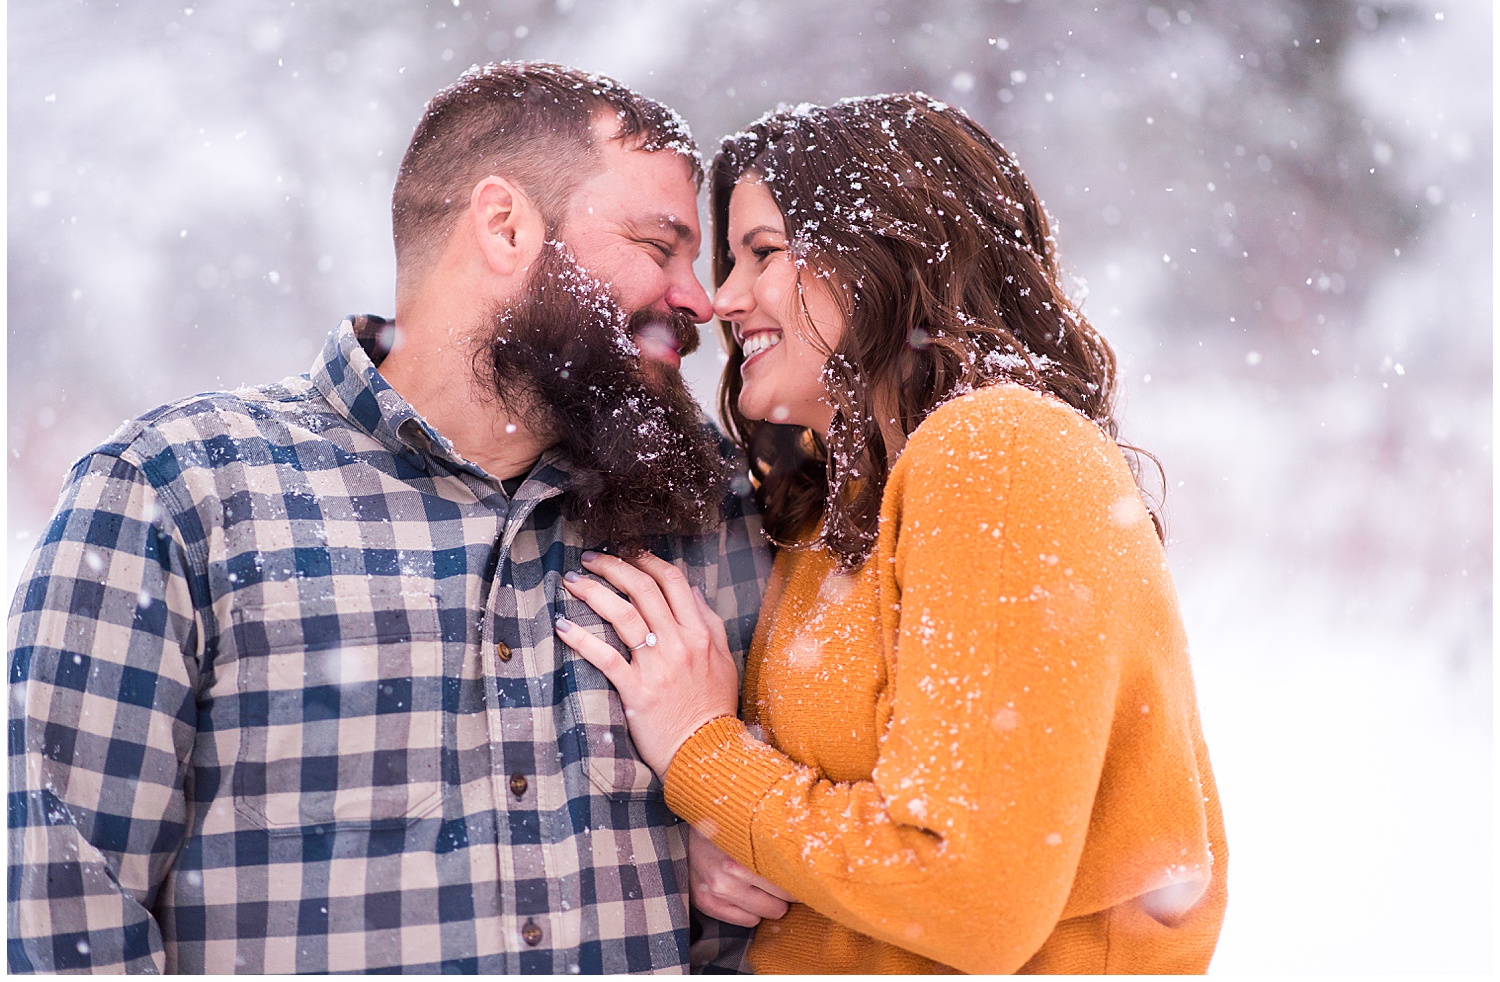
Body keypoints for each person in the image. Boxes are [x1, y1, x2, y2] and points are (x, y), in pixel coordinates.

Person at [7, 61, 771, 974]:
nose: (702, 300)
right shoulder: (182, 494)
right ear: (506, 225)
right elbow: (62, 918)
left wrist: (743, 830)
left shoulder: (711, 512)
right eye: (660, 246)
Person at [556, 93, 1229, 974]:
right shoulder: (838, 510)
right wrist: (733, 843)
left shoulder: (1000, 451)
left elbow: (965, 891)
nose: (722, 301)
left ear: (884, 254)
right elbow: (837, 825)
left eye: (762, 253)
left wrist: (702, 754)